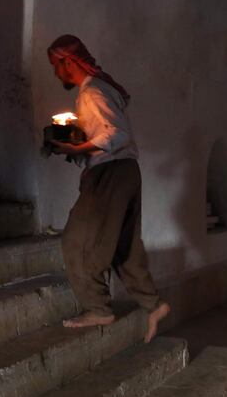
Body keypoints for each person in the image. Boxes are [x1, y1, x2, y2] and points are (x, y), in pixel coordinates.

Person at [47, 34, 169, 342]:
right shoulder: (95, 91)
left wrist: (77, 149)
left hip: (110, 173)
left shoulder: (93, 92)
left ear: (68, 61)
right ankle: (153, 304)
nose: (55, 73)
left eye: (55, 65)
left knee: (79, 240)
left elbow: (117, 134)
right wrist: (77, 144)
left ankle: (98, 308)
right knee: (123, 243)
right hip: (124, 171)